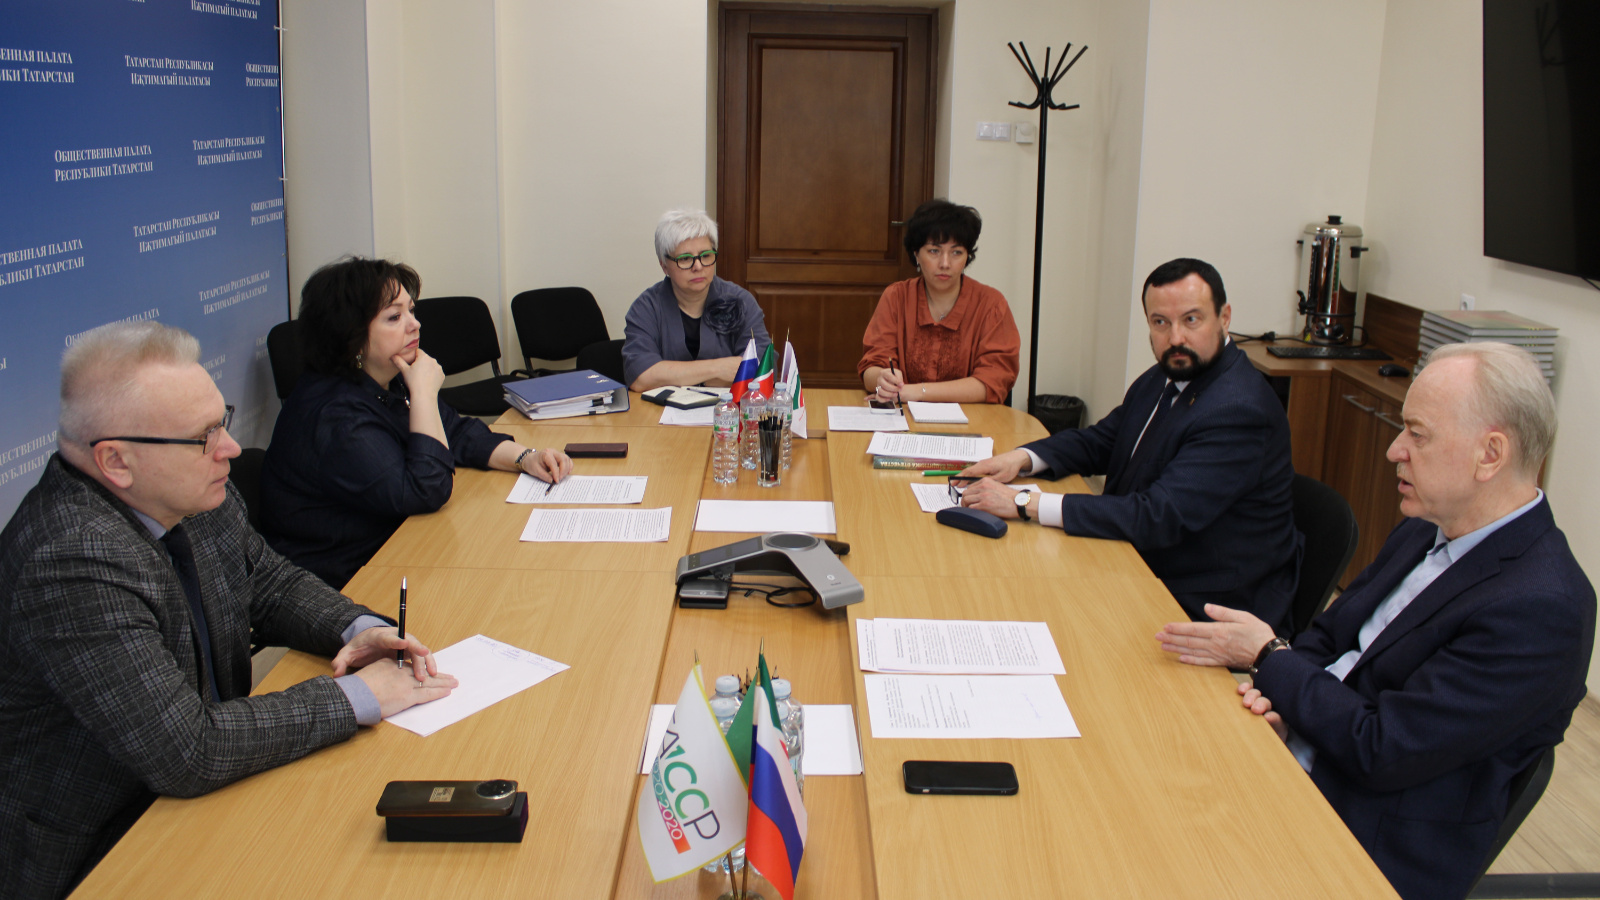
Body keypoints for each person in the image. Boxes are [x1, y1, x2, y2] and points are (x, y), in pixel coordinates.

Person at [0, 322, 459, 900]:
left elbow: (267, 582)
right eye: (203, 436)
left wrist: (359, 629)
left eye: (223, 421)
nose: (230, 448)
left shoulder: (186, 490)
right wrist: (358, 697)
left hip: (194, 798)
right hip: (105, 846)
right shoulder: (72, 558)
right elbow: (186, 750)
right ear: (116, 461)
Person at [1157, 342, 1593, 900]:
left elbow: (1383, 748)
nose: (1394, 450)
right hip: (1299, 749)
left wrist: (1268, 659)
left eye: (1418, 434)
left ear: (1490, 454)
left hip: (1363, 841)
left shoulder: (1543, 607)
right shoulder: (1426, 526)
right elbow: (1328, 638)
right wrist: (1280, 703)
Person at [960, 257, 1300, 632]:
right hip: (1134, 560)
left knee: (1027, 609)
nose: (1175, 338)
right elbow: (1104, 440)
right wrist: (1023, 458)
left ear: (1225, 318)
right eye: (1160, 322)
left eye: (1191, 319)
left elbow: (1158, 516)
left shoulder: (1238, 408)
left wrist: (1025, 503)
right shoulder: (1167, 375)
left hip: (1201, 603)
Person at [261, 257, 572, 589]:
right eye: (395, 317)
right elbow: (425, 490)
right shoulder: (335, 416)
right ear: (349, 334)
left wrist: (525, 457)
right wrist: (423, 393)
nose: (415, 324)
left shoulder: (386, 376)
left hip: (396, 546)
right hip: (345, 580)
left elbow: (455, 431)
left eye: (411, 310)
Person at [859, 199, 1020, 404]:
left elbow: (994, 380)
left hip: (973, 418)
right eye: (934, 251)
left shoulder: (991, 305)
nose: (945, 263)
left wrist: (917, 392)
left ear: (968, 256)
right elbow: (871, 367)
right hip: (904, 416)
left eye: (956, 252)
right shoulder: (896, 297)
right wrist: (881, 379)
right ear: (916, 254)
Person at [622, 208, 770, 392]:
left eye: (706, 255)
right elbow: (640, 377)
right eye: (685, 259)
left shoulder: (741, 300)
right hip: (661, 409)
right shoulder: (646, 307)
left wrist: (675, 375)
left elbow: (761, 368)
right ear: (664, 265)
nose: (698, 266)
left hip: (728, 407)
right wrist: (718, 369)